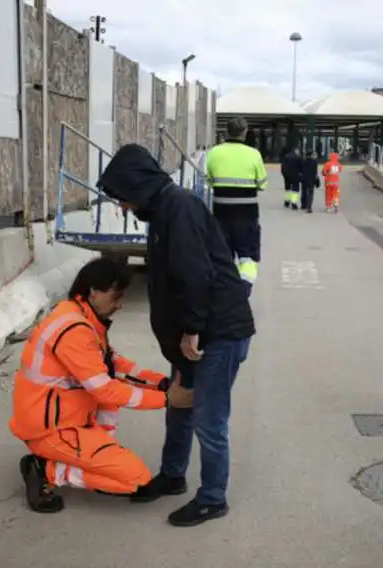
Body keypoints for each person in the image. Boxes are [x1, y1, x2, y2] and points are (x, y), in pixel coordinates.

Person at [97, 143, 255, 528]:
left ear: (136, 187)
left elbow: (194, 274)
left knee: (208, 417)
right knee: (179, 405)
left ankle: (213, 498)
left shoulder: (179, 207)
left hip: (215, 333)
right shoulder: (165, 211)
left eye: (122, 199)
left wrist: (192, 331)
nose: (122, 207)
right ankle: (172, 475)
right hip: (195, 334)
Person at [9, 257, 191, 513]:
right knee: (135, 478)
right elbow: (105, 388)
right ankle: (47, 469)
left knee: (112, 394)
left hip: (65, 420)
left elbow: (114, 363)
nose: (120, 304)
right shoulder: (74, 329)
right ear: (94, 291)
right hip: (50, 430)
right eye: (115, 297)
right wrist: (168, 400)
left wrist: (161, 383)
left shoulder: (79, 316)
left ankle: (87, 454)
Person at [203, 117, 267, 294]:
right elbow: (262, 183)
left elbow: (209, 179)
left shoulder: (214, 153)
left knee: (223, 257)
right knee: (248, 258)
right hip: (247, 216)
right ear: (245, 132)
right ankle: (243, 290)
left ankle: (224, 291)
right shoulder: (254, 154)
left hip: (221, 214)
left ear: (226, 132)